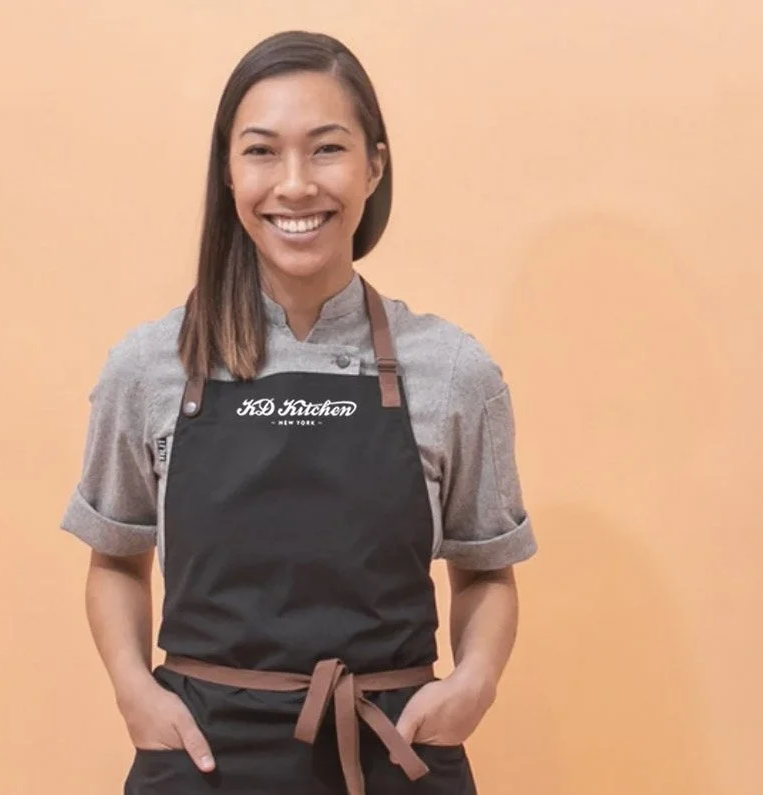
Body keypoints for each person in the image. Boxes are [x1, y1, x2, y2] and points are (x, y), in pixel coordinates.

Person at [60, 29, 537, 795]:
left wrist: (474, 681)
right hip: (201, 763)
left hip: (392, 759)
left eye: (326, 149)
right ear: (227, 171)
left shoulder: (453, 371)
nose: (295, 184)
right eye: (261, 151)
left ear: (374, 164)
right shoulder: (151, 365)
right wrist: (132, 688)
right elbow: (114, 555)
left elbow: (486, 569)